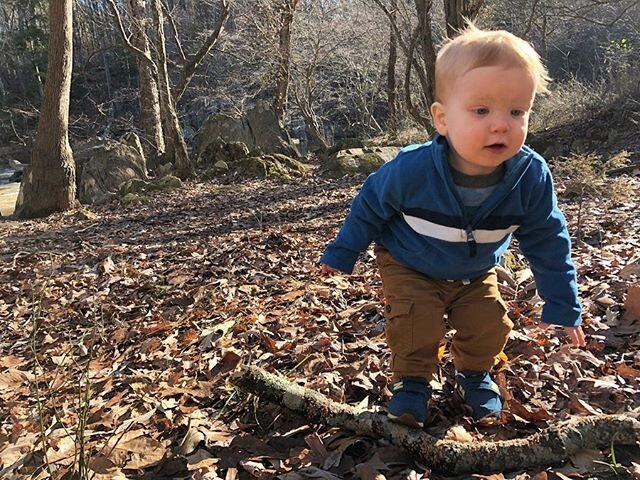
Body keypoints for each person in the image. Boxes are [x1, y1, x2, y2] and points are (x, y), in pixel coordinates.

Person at [319, 25, 585, 428]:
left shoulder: (529, 176)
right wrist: (343, 251)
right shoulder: (412, 169)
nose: (501, 125)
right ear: (443, 119)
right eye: (481, 111)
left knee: (488, 322)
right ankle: (412, 383)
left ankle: (476, 375)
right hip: (409, 261)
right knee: (414, 322)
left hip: (475, 269)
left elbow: (549, 239)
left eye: (516, 111)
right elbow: (371, 204)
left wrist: (563, 303)